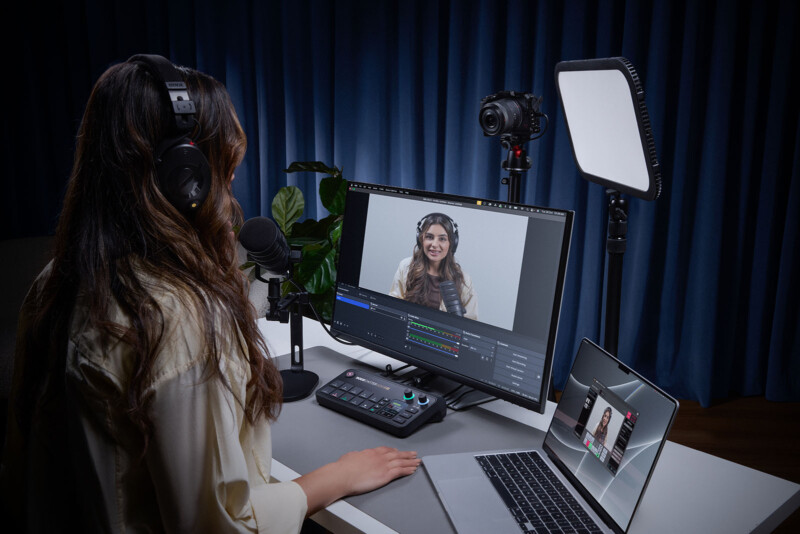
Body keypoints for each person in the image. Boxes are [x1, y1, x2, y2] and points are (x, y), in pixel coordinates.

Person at [0, 54, 419, 533]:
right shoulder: (176, 316)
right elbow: (222, 526)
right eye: (227, 165)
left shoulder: (57, 280)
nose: (233, 181)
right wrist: (336, 477)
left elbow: (21, 479)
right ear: (185, 177)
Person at [389, 212, 477, 319]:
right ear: (421, 239)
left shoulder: (465, 281)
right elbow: (393, 307)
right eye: (429, 237)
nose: (434, 245)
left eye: (442, 239)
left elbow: (470, 324)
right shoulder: (405, 267)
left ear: (452, 243)